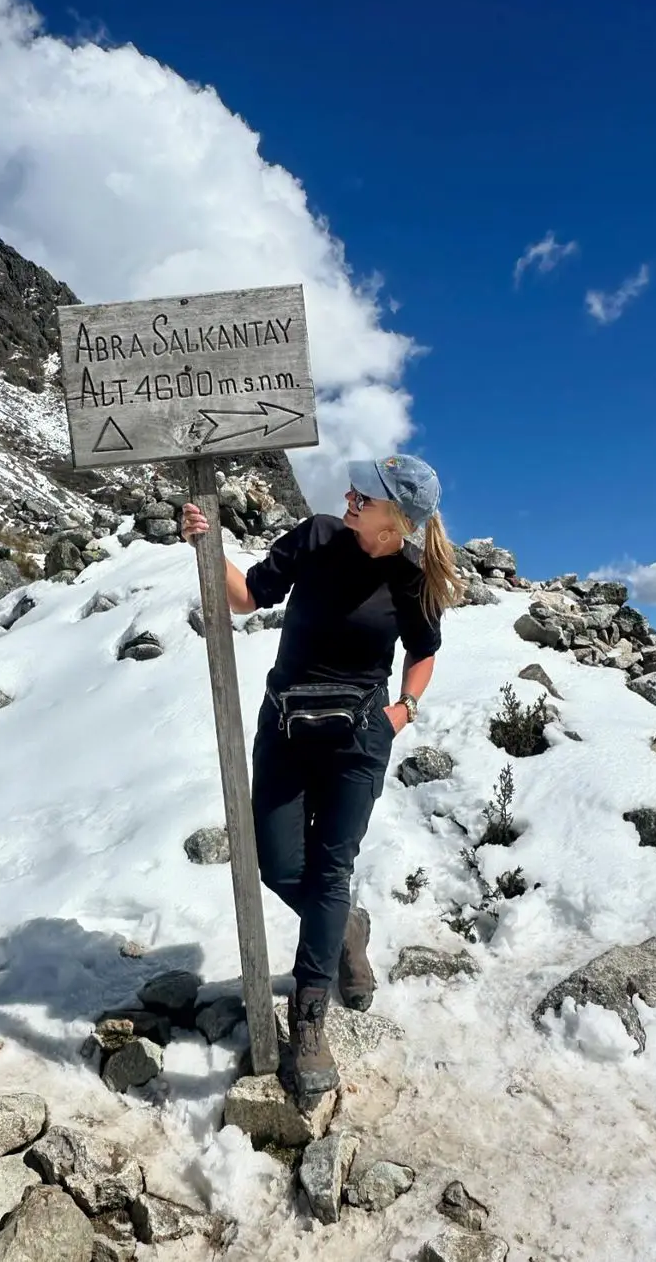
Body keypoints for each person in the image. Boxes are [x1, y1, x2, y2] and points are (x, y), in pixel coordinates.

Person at [182, 453, 464, 1099]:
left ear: (397, 516)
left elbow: (422, 654)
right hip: (285, 726)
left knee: (331, 869)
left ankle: (308, 1019)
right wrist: (206, 543)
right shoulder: (317, 536)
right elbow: (248, 595)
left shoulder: (411, 577)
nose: (350, 495)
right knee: (279, 865)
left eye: (366, 493)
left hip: (359, 737)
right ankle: (344, 930)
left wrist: (403, 711)